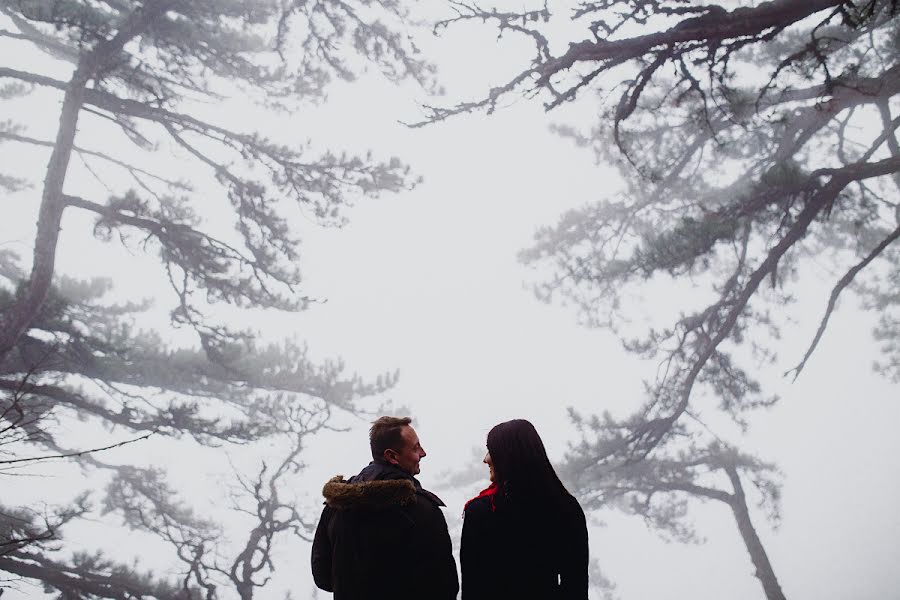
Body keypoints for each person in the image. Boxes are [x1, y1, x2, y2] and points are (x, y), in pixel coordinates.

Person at [311, 416, 459, 600]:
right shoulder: (421, 509)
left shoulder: (338, 503)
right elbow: (444, 586)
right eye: (415, 448)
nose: (423, 453)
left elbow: (323, 576)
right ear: (392, 456)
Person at [461, 419, 589, 599]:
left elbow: (473, 589)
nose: (485, 458)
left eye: (492, 450)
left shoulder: (482, 512)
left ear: (507, 456)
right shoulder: (567, 508)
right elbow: (576, 588)